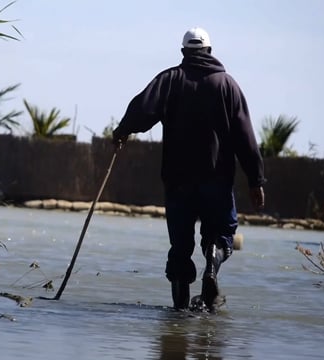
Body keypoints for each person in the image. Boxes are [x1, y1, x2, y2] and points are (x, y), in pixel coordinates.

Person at [112, 27, 265, 312]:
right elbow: (245, 136)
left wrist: (122, 131)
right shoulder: (227, 85)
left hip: (178, 181)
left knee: (180, 246)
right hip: (217, 180)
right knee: (221, 233)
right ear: (209, 51)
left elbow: (142, 110)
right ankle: (211, 265)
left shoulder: (169, 80)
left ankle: (178, 313)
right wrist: (256, 180)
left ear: (183, 52)